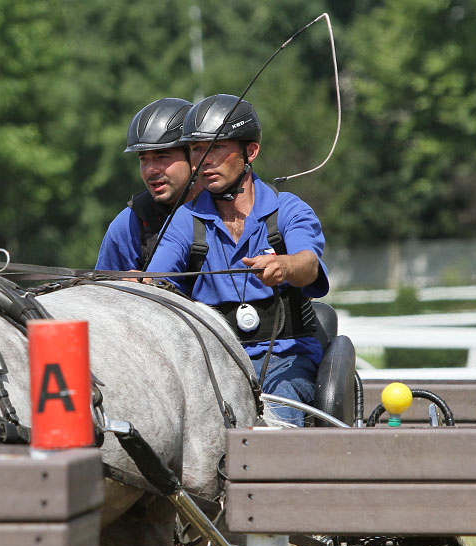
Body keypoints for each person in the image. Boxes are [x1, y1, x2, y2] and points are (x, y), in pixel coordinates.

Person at [146, 94, 330, 426]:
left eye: (216, 147)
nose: (204, 161)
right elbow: (158, 276)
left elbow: (309, 264)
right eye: (197, 150)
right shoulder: (184, 219)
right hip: (213, 367)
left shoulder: (288, 210)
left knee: (278, 416)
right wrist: (140, 282)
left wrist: (286, 266)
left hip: (285, 363)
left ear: (251, 151)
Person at [95, 98, 202, 271]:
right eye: (144, 159)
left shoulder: (226, 211)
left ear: (194, 157)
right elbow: (100, 294)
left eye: (162, 157)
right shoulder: (129, 224)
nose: (151, 170)